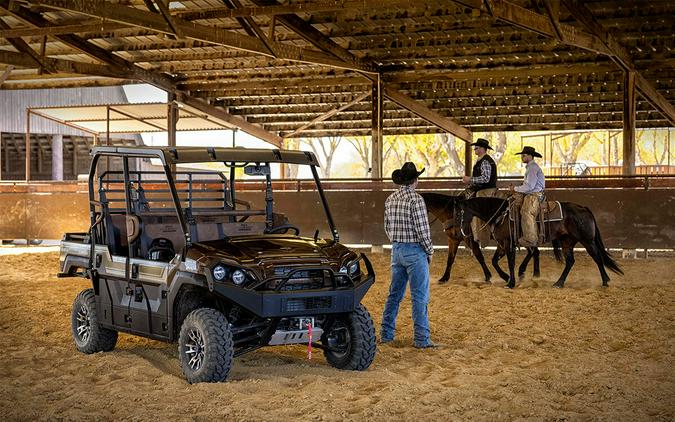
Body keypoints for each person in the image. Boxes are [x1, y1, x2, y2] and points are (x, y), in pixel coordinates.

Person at [381, 162, 438, 349]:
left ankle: (386, 334)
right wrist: (429, 250)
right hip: (415, 251)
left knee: (394, 295)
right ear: (416, 180)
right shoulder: (416, 200)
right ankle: (421, 339)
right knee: (419, 296)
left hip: (396, 250)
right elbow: (423, 230)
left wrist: (397, 243)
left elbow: (387, 228)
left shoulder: (390, 199)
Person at [461, 138, 498, 244]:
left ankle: (480, 237)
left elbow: (486, 178)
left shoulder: (485, 161)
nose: (475, 148)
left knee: (476, 211)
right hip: (482, 189)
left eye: (477, 147)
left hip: (486, 190)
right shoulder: (482, 160)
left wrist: (470, 179)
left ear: (483, 148)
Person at [510, 146, 546, 247]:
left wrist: (515, 189)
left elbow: (530, 186)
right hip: (534, 194)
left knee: (526, 211)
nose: (522, 156)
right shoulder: (531, 168)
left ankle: (531, 239)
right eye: (522, 155)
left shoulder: (532, 168)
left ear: (530, 156)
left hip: (534, 196)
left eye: (524, 155)